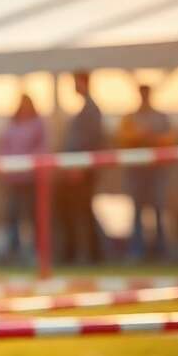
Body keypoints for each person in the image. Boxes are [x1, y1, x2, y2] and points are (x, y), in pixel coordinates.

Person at [116, 83, 174, 260]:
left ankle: (161, 251)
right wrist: (141, 135)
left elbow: (170, 138)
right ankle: (137, 251)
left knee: (158, 208)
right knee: (137, 211)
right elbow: (122, 137)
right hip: (137, 171)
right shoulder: (130, 117)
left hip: (156, 171)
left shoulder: (160, 117)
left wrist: (151, 137)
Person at [57, 70, 105, 264]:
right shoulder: (85, 109)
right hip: (76, 168)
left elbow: (91, 142)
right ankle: (79, 252)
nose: (73, 87)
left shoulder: (91, 110)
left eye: (75, 82)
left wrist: (79, 168)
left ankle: (93, 254)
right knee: (76, 211)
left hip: (83, 170)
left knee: (84, 211)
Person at [0, 93, 47, 258]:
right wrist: (6, 165)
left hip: (31, 179)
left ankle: (38, 251)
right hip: (13, 178)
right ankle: (13, 251)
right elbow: (4, 145)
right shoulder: (13, 123)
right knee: (13, 215)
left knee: (34, 215)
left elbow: (42, 147)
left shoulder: (38, 123)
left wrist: (28, 165)